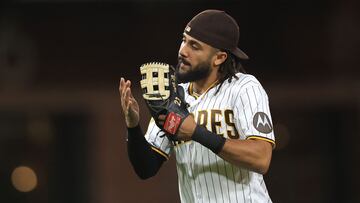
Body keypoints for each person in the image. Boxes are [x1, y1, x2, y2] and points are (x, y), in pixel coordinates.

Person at [119, 9, 275, 203]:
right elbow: (146, 168)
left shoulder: (244, 88)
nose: (183, 50)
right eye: (184, 40)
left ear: (219, 58)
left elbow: (261, 158)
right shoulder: (175, 96)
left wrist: (196, 132)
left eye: (195, 46)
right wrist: (133, 125)